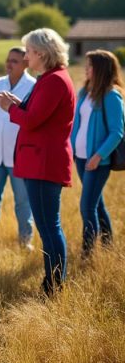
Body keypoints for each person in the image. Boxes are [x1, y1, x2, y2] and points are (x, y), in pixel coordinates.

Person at [0, 28, 75, 296]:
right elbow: (36, 112)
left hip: (43, 163)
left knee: (49, 228)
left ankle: (53, 284)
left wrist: (10, 109)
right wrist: (17, 104)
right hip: (40, 161)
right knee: (48, 226)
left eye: (28, 52)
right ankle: (54, 281)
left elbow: (31, 120)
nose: (26, 58)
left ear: (41, 53)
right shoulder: (51, 78)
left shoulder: (53, 81)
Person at [70, 49, 124, 257]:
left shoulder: (111, 96)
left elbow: (116, 132)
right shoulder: (85, 92)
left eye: (90, 65)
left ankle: (88, 252)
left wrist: (98, 156)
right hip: (81, 158)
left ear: (100, 69)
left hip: (97, 162)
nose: (86, 68)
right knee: (96, 203)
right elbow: (77, 124)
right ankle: (109, 244)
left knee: (86, 207)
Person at [0, 47, 36, 249]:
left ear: (25, 63)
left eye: (14, 61)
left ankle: (26, 240)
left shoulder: (33, 87)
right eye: (8, 60)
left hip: (19, 156)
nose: (9, 64)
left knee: (23, 201)